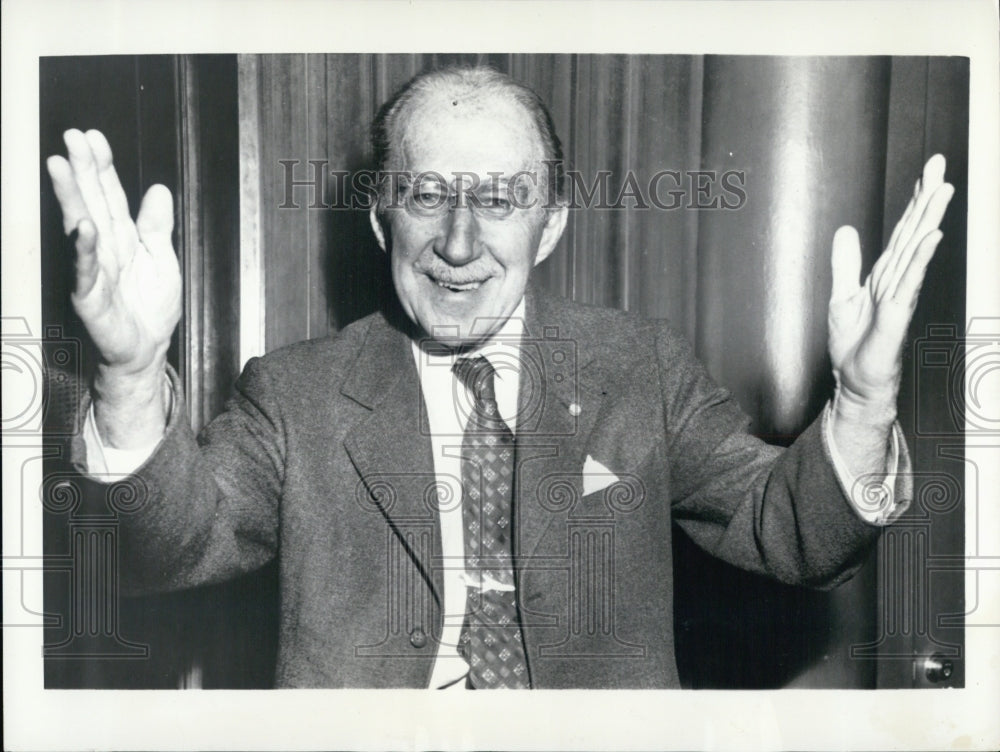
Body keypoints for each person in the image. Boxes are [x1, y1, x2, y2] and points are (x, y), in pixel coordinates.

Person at [46, 66, 954, 688]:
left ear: (550, 225)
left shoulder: (637, 368)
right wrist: (130, 373)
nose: (460, 244)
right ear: (380, 220)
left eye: (500, 200)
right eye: (430, 195)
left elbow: (792, 535)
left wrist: (866, 401)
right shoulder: (296, 394)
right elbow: (159, 548)